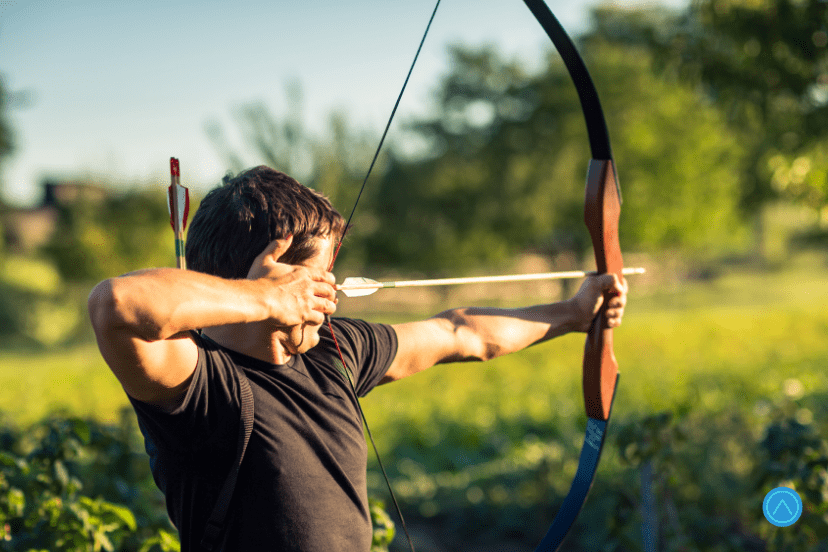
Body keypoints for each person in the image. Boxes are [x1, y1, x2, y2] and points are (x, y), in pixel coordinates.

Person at [87, 166, 627, 552]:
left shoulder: (334, 351)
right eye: (317, 275)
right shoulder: (200, 384)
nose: (331, 290)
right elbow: (116, 304)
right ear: (272, 274)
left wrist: (575, 314)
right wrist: (267, 301)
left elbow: (461, 333)